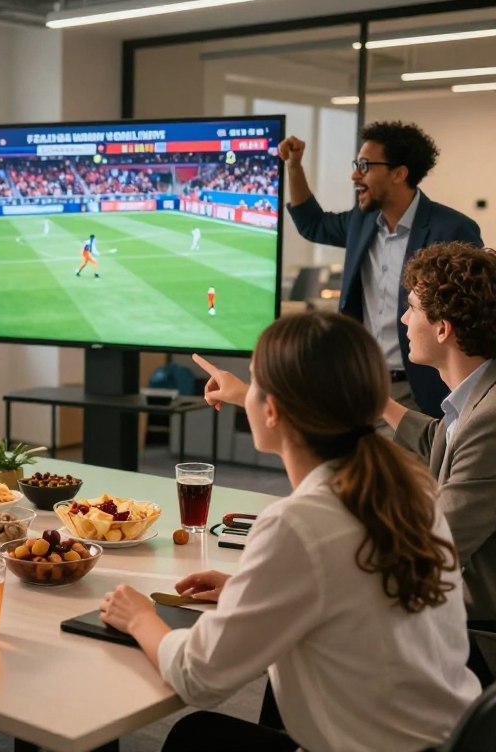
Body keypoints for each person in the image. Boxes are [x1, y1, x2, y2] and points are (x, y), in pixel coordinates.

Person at [100, 312, 479, 752]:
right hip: (446, 739)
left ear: (272, 409)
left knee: (194, 736)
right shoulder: (411, 489)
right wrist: (250, 588)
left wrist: (139, 617)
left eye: (254, 382)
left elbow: (197, 677)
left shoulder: (299, 524)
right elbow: (349, 590)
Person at [279, 121, 482, 416]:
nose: (354, 175)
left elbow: (473, 313)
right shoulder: (361, 223)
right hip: (361, 382)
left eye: (364, 166)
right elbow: (313, 224)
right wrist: (294, 167)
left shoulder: (451, 228)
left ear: (399, 173)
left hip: (422, 392)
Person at [382, 243, 496, 624]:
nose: (403, 320)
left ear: (443, 329)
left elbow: (432, 549)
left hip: (474, 632)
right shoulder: (478, 399)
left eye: (412, 308)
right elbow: (441, 442)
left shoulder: (489, 419)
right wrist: (377, 400)